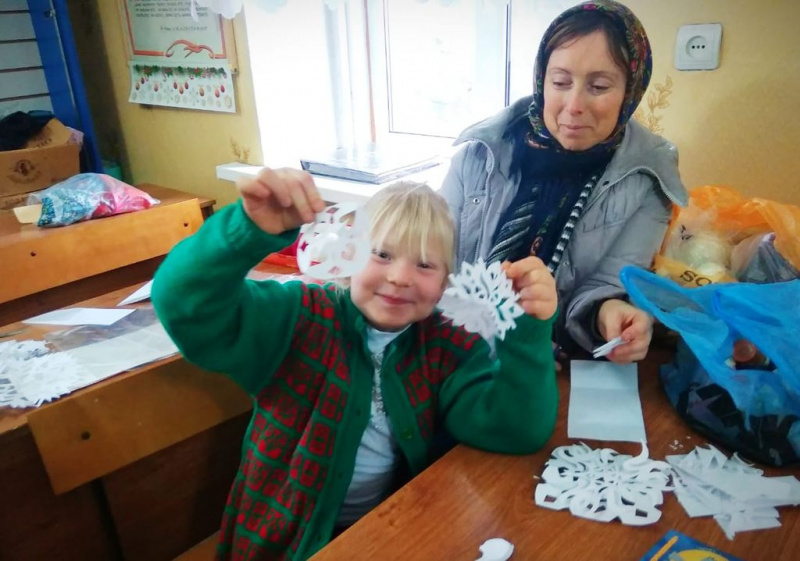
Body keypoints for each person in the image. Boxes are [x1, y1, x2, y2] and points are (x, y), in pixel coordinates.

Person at [152, 167, 559, 561]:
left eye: (424, 264)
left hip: (385, 532)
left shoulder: (445, 344)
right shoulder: (298, 319)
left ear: (445, 282)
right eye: (381, 254)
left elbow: (515, 430)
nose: (400, 277)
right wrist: (245, 232)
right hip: (287, 542)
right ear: (347, 254)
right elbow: (184, 303)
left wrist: (528, 329)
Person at [439, 0, 688, 363]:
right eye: (560, 82)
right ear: (543, 80)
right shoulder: (481, 152)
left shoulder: (647, 181)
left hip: (541, 366)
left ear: (630, 92)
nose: (573, 105)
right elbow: (431, 254)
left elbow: (607, 284)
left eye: (599, 86)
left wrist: (608, 316)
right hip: (449, 350)